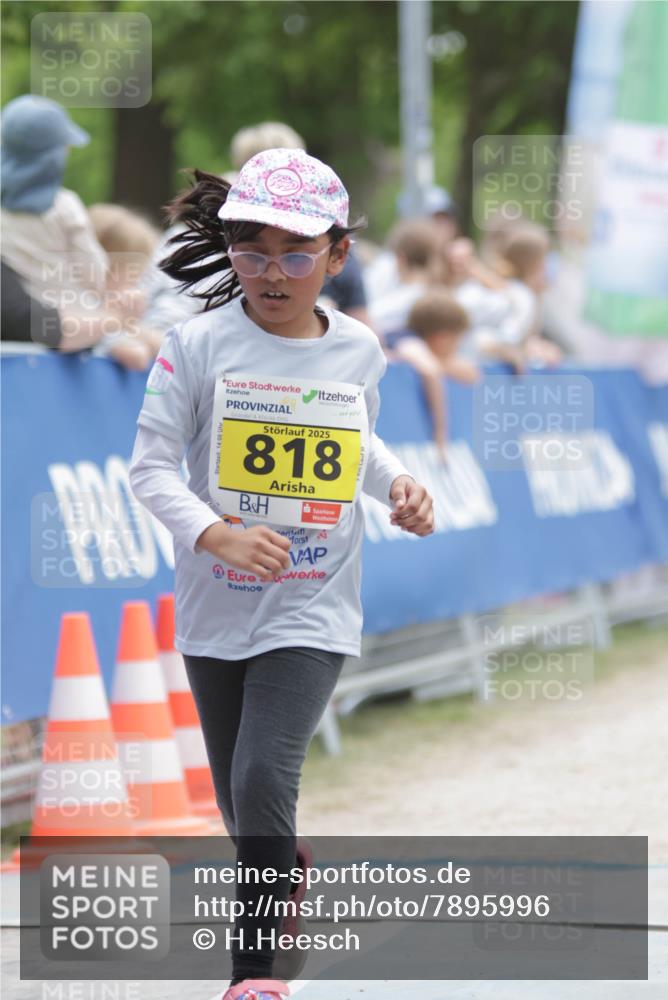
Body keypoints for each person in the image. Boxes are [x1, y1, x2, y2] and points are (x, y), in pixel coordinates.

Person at [128, 148, 434, 1000]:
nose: (272, 274)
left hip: (315, 596)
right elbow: (149, 469)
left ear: (338, 256)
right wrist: (215, 535)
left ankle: (252, 976)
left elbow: (357, 443)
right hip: (216, 602)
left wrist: (398, 485)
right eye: (252, 252)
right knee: (243, 803)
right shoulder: (194, 345)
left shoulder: (360, 348)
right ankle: (284, 866)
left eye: (296, 256)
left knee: (265, 774)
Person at [385, 289, 478, 459]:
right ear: (441, 338)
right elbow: (431, 372)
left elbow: (472, 375)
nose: (457, 347)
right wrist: (441, 433)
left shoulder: (425, 350)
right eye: (457, 340)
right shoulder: (408, 342)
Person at [88, 203, 164, 369]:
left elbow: (165, 346)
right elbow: (137, 356)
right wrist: (122, 321)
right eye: (132, 275)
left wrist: (128, 323)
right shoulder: (90, 309)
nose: (136, 284)